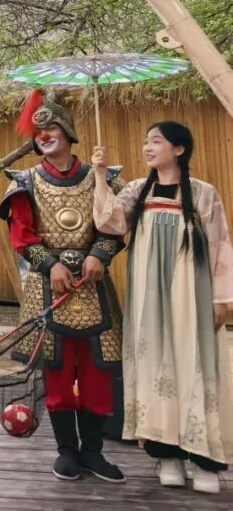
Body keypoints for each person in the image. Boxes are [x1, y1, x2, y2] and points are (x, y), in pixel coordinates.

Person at [93, 121, 232, 494]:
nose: (148, 147)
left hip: (191, 295)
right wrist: (101, 175)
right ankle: (167, 456)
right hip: (148, 298)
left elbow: (220, 245)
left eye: (156, 141)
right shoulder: (138, 191)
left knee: (194, 364)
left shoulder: (202, 192)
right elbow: (109, 221)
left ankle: (204, 460)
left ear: (179, 149)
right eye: (145, 142)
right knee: (155, 364)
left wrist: (221, 299)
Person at [0, 91, 126, 483]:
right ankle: (67, 451)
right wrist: (50, 264)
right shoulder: (25, 182)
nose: (45, 135)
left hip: (93, 286)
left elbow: (115, 224)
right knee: (56, 372)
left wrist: (100, 254)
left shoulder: (102, 178)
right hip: (47, 287)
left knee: (97, 373)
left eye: (52, 127)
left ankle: (93, 452)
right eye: (39, 131)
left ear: (68, 132)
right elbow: (22, 236)